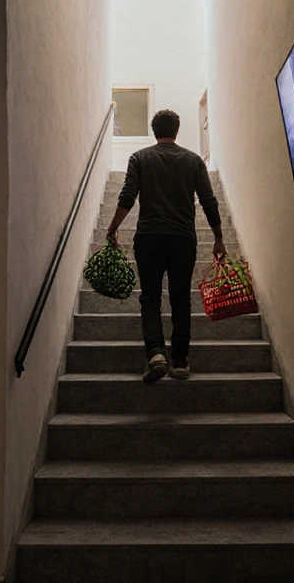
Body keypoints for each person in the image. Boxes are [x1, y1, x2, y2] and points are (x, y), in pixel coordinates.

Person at [106, 109, 226, 384]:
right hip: (183, 239)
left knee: (150, 298)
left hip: (148, 237)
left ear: (153, 130)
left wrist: (113, 228)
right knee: (181, 298)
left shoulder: (139, 158)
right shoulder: (194, 160)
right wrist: (218, 237)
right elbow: (209, 200)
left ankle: (156, 355)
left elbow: (127, 196)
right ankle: (180, 362)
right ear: (177, 130)